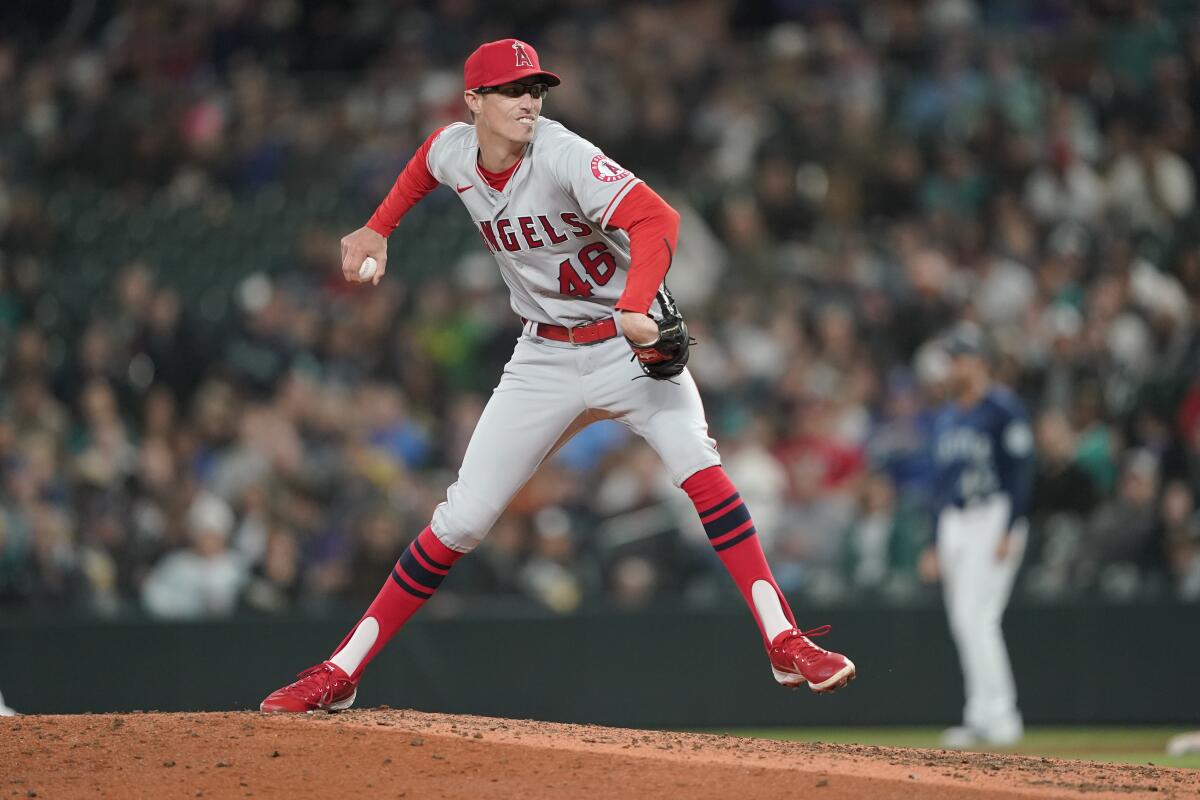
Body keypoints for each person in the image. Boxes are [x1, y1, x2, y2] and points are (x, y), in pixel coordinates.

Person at [259, 39, 854, 712]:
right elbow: (426, 163)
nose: (529, 101)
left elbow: (657, 216)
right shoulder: (456, 148)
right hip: (543, 354)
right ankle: (342, 671)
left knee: (699, 463)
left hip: (623, 348)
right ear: (474, 102)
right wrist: (376, 228)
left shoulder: (562, 152)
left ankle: (782, 641)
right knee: (462, 520)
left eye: (536, 88)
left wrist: (634, 305)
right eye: (513, 90)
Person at [919, 324, 1033, 747]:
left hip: (993, 512)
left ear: (979, 360)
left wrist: (1011, 526)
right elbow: (937, 484)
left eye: (959, 357)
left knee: (979, 617)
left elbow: (1021, 471)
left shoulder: (1003, 407)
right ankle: (980, 714)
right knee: (964, 620)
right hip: (956, 520)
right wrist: (933, 541)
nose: (952, 366)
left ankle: (1002, 717)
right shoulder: (946, 415)